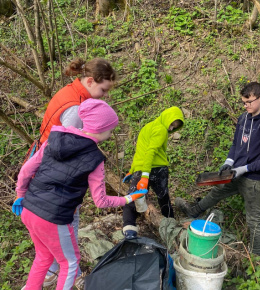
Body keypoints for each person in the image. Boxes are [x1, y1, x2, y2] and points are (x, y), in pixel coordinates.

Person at [12, 99, 147, 290]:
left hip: (29, 209)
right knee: (70, 262)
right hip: (54, 217)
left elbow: (26, 170)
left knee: (43, 256)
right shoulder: (95, 158)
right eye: (110, 129)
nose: (111, 134)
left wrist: (20, 194)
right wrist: (128, 198)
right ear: (101, 129)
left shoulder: (53, 140)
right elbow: (100, 201)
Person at [22, 57, 116, 287]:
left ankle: (49, 271)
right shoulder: (75, 109)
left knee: (45, 250)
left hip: (42, 172)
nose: (104, 95)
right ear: (91, 81)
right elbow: (70, 154)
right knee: (68, 250)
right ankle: (57, 272)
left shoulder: (71, 91)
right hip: (54, 181)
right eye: (103, 90)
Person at [175, 82, 260, 256]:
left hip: (254, 178)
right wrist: (229, 161)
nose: (246, 106)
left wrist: (245, 169)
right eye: (243, 102)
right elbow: (236, 144)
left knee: (254, 218)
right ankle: (193, 212)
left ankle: (256, 256)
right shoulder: (243, 117)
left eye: (250, 102)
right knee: (216, 191)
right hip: (235, 172)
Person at [122, 106, 184, 239]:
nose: (171, 129)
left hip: (143, 168)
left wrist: (133, 170)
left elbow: (139, 151)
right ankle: (171, 225)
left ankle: (129, 230)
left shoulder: (147, 127)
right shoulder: (161, 129)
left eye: (175, 127)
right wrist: (144, 175)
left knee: (133, 197)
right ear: (167, 117)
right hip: (156, 169)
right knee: (163, 197)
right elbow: (149, 152)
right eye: (172, 124)